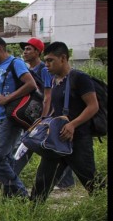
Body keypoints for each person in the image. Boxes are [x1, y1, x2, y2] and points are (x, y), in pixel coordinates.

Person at [29, 42, 105, 204]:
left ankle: (101, 208)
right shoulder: (56, 81)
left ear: (63, 58)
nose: (46, 65)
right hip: (57, 140)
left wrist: (73, 124)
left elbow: (93, 106)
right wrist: (42, 121)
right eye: (46, 61)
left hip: (78, 139)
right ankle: (32, 211)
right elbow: (58, 110)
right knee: (43, 178)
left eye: (50, 60)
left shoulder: (80, 78)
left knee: (90, 180)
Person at [8, 38, 75, 190]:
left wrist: (43, 119)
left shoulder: (44, 70)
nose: (25, 52)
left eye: (29, 49)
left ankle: (10, 175)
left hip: (47, 115)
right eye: (24, 49)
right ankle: (11, 174)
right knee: (36, 144)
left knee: (32, 143)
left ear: (38, 52)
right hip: (35, 113)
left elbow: (48, 96)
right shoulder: (29, 71)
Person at [0, 35, 37, 200]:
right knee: (6, 159)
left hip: (11, 118)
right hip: (1, 119)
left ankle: (21, 195)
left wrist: (7, 98)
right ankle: (9, 199)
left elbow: (30, 84)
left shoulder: (15, 63)